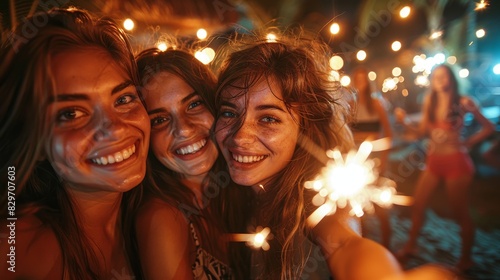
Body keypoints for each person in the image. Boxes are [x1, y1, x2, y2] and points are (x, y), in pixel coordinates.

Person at [213, 32, 457, 279]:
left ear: (306, 128)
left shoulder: (317, 206)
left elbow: (344, 244)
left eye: (268, 118)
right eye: (229, 113)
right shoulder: (224, 194)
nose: (239, 137)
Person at [0, 8, 150, 279]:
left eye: (124, 99)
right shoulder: (13, 248)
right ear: (35, 141)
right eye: (71, 114)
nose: (115, 129)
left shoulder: (158, 219)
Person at [134, 47, 233, 279]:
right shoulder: (162, 218)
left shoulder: (235, 192)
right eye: (159, 119)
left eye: (194, 105)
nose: (183, 129)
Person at [395, 64, 495, 271]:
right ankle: (411, 246)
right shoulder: (429, 103)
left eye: (444, 76)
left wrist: (468, 142)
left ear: (452, 79)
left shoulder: (464, 102)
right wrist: (404, 122)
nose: (440, 80)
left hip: (457, 163)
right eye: (436, 76)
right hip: (434, 162)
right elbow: (421, 131)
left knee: (460, 213)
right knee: (418, 203)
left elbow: (489, 127)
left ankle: (466, 259)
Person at [350, 66, 394, 249]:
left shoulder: (376, 104)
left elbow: (389, 134)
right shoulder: (351, 105)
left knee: (378, 203)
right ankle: (364, 244)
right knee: (358, 203)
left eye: (363, 80)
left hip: (374, 160)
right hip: (356, 160)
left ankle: (386, 243)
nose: (360, 83)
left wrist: (383, 160)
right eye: (357, 80)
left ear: (368, 83)